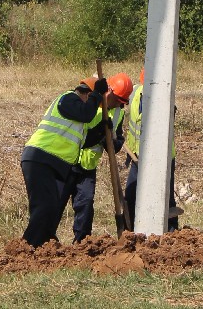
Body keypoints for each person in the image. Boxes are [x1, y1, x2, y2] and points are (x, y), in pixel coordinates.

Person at [20, 76, 109, 248]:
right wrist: (98, 93)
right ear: (85, 94)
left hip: (52, 164)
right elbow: (86, 114)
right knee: (44, 207)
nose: (93, 106)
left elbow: (84, 142)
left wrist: (101, 130)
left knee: (52, 208)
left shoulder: (77, 117)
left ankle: (44, 245)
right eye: (92, 100)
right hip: (40, 159)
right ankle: (28, 247)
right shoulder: (68, 99)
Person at [60, 71, 133, 242]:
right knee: (57, 203)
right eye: (118, 100)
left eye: (123, 103)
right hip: (67, 161)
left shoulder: (117, 113)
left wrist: (112, 141)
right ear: (110, 92)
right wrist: (98, 131)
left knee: (85, 205)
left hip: (88, 167)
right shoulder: (87, 98)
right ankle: (45, 239)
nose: (119, 105)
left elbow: (116, 142)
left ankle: (82, 243)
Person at [124, 69, 179, 232]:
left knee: (164, 197)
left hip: (161, 158)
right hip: (137, 156)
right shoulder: (135, 93)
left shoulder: (164, 100)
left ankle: (172, 233)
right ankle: (132, 232)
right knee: (132, 195)